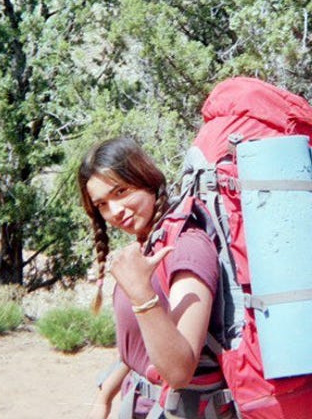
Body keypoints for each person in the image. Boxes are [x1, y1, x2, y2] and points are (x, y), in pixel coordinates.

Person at [78, 136, 225, 419]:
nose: (115, 212)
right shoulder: (150, 243)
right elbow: (140, 343)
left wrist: (141, 294)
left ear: (146, 178)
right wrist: (105, 395)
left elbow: (179, 371)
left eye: (120, 192)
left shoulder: (186, 245)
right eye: (102, 205)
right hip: (141, 405)